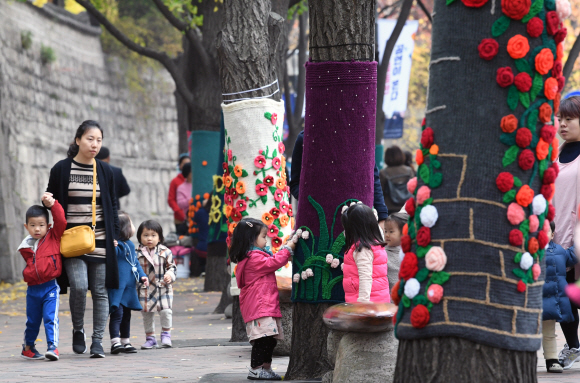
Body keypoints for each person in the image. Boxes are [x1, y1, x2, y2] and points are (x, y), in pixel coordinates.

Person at [44, 120, 119, 358]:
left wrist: (114, 236)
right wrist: (47, 202)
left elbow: (113, 205)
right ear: (78, 140)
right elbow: (52, 199)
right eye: (90, 139)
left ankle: (97, 341)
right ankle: (79, 329)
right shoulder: (61, 169)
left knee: (100, 290)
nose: (94, 144)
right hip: (71, 241)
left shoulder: (106, 171)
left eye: (99, 140)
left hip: (100, 239)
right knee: (78, 285)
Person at [229, 218, 295, 381]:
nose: (266, 240)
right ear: (251, 238)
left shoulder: (254, 256)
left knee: (269, 340)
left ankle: (265, 367)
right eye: (264, 237)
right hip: (259, 307)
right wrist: (288, 249)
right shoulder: (253, 258)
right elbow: (274, 262)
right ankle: (256, 369)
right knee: (262, 340)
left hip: (264, 305)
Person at [289, 131, 388, 227]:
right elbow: (295, 182)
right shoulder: (305, 137)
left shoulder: (358, 135)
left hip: (357, 223)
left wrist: (382, 215)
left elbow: (373, 179)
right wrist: (311, 201)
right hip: (316, 222)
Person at [19, 193, 66, 361]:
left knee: (49, 317)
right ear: (26, 226)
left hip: (50, 287)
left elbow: (61, 220)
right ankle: (28, 347)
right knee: (32, 320)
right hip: (32, 289)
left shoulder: (54, 236)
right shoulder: (26, 245)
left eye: (41, 225)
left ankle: (52, 347)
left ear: (48, 225)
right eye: (32, 225)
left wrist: (53, 204)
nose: (37, 229)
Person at [554, 95, 580, 367]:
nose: (562, 124)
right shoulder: (557, 154)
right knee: (564, 297)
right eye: (560, 119)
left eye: (569, 119)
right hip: (556, 238)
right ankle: (574, 346)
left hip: (577, 238)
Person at [108, 212, 149, 355]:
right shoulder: (115, 245)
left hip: (129, 287)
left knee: (126, 315)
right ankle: (115, 341)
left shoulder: (130, 245)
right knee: (117, 313)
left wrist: (142, 276)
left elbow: (135, 263)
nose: (133, 226)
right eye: (130, 224)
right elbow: (113, 257)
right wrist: (111, 246)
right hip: (118, 286)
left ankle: (126, 341)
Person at [542, 221, 578, 372]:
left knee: (549, 331)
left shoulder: (560, 251)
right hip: (534, 299)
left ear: (552, 235)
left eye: (546, 231)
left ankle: (551, 360)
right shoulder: (529, 252)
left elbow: (573, 255)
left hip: (552, 300)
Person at [136, 220, 177, 349]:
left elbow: (172, 267)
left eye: (153, 235)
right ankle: (150, 338)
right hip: (145, 289)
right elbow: (134, 269)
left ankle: (166, 335)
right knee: (147, 314)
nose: (149, 238)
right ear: (139, 237)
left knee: (166, 311)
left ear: (159, 237)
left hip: (163, 287)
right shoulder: (136, 253)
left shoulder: (166, 252)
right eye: (146, 235)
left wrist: (170, 275)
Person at [341, 202, 390, 303]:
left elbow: (365, 276)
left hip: (367, 304)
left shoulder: (363, 249)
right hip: (377, 301)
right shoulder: (374, 242)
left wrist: (363, 303)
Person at [379, 145, 414, 214]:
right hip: (407, 207)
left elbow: (380, 193)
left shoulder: (383, 173)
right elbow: (413, 189)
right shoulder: (409, 171)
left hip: (390, 209)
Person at [383, 211, 409, 289]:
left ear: (404, 233)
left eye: (391, 231)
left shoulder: (409, 252)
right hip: (389, 296)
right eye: (385, 231)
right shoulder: (382, 252)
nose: (387, 235)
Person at [168, 154, 191, 230]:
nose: (186, 165)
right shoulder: (175, 181)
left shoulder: (194, 182)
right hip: (180, 219)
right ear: (180, 165)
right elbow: (171, 200)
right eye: (184, 163)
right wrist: (181, 214)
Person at [191, 195, 210, 276]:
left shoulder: (200, 212)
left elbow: (194, 219)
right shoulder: (216, 213)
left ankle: (203, 270)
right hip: (212, 247)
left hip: (201, 247)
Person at [176, 163, 192, 235]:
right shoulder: (181, 188)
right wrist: (191, 199)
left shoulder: (199, 184)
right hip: (189, 218)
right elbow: (180, 204)